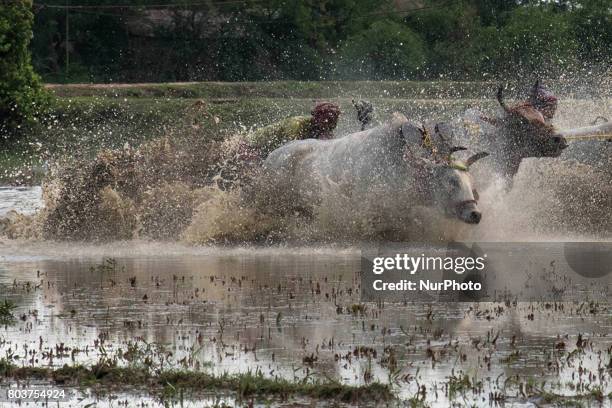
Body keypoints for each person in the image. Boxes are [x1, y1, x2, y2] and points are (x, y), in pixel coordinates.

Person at [247, 102, 341, 155]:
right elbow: (290, 148)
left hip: (269, 152)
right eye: (327, 119)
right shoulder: (297, 124)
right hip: (251, 146)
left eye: (333, 119)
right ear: (317, 116)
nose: (329, 122)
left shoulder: (322, 129)